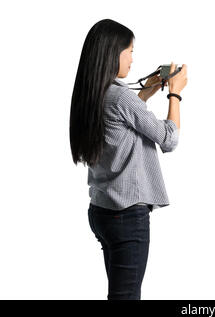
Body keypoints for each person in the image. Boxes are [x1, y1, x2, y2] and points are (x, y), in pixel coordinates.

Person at [69, 19, 187, 300]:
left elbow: (124, 117)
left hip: (102, 211)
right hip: (127, 215)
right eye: (130, 51)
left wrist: (150, 88)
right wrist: (175, 94)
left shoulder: (94, 93)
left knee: (120, 295)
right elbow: (169, 139)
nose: (133, 59)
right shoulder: (121, 97)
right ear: (113, 53)